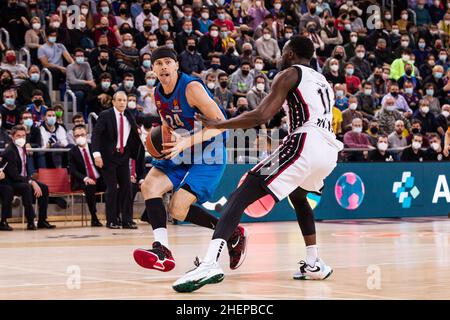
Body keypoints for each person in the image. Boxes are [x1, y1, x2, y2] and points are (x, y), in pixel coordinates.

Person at [173, 36, 344, 292]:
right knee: (299, 197)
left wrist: (220, 124)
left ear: (289, 54)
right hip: (329, 151)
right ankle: (313, 262)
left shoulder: (288, 74)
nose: (279, 55)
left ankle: (209, 263)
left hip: (305, 142)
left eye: (282, 50)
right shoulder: (323, 82)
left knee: (240, 194)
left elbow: (261, 115)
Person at [132, 46, 247, 273]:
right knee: (149, 185)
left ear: (176, 65)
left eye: (168, 62)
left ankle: (231, 232)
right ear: (153, 69)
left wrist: (187, 141)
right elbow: (167, 122)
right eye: (158, 63)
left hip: (209, 150)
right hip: (181, 146)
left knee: (177, 208)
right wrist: (160, 139)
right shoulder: (157, 93)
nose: (163, 66)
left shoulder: (192, 88)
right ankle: (162, 250)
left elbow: (221, 123)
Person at [91, 92, 144, 229]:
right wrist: (97, 154)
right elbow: (96, 135)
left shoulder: (128, 115)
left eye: (124, 100)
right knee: (112, 189)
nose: (122, 103)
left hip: (123, 156)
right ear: (113, 102)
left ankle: (127, 220)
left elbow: (133, 134)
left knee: (127, 188)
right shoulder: (105, 115)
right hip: (108, 157)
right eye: (119, 100)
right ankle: (112, 220)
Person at [0, 125, 55, 230]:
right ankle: (30, 221)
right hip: (11, 181)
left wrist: (31, 181)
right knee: (26, 187)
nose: (21, 138)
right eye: (18, 136)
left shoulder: (24, 147)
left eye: (23, 136)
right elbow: (14, 175)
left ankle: (42, 220)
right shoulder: (10, 151)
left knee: (44, 188)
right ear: (12, 137)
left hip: (22, 179)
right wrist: (31, 182)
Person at [68, 125, 104, 227]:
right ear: (74, 137)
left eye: (82, 134)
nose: (80, 137)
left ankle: (115, 217)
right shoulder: (72, 152)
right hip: (84, 180)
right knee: (90, 187)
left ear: (87, 135)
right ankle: (94, 218)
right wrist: (86, 178)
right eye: (77, 135)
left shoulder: (95, 148)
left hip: (99, 178)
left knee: (114, 185)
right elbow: (73, 170)